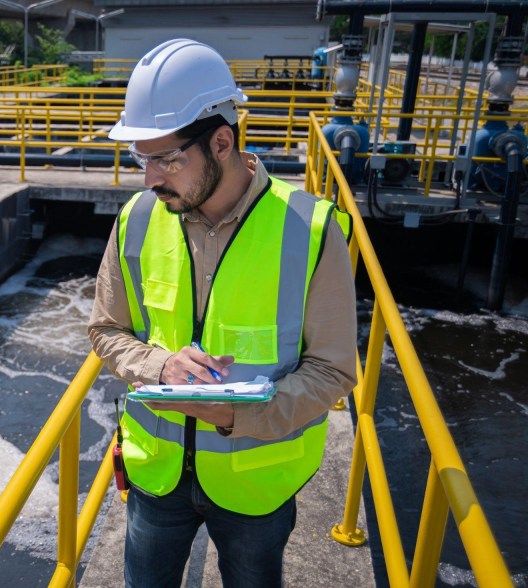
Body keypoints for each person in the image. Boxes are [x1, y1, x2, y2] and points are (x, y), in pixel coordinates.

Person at [88, 39, 357, 587]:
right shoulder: (137, 219)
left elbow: (333, 371)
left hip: (255, 484)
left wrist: (238, 416)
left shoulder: (308, 230)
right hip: (156, 479)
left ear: (221, 142)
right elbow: (106, 329)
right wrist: (159, 366)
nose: (150, 180)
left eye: (167, 160)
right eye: (143, 159)